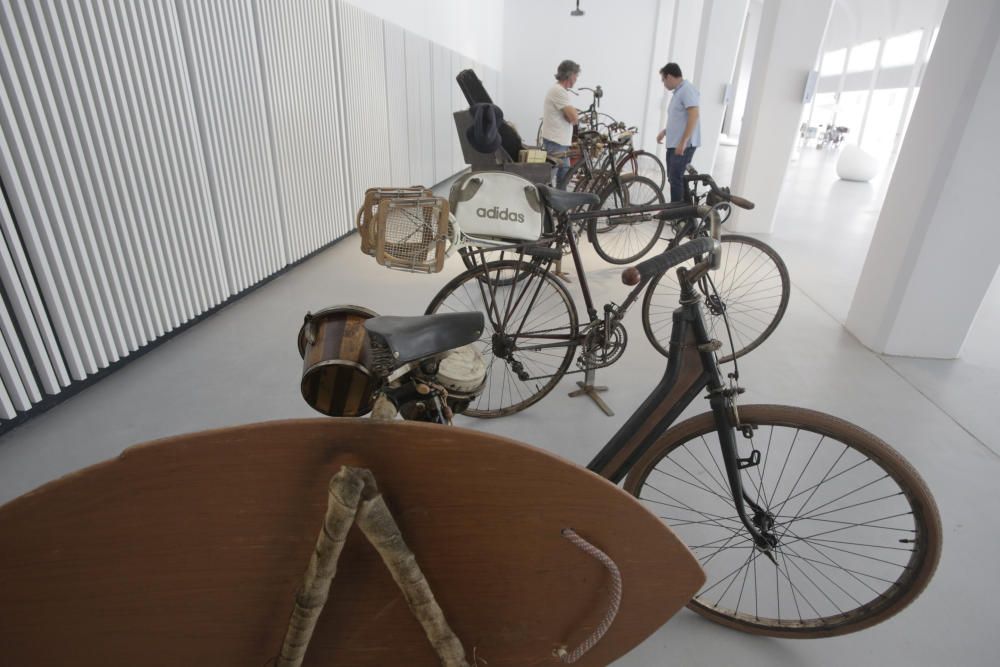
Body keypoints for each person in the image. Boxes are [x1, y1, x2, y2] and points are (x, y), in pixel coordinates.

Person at [656, 63, 700, 202]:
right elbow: (679, 119)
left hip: (683, 145)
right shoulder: (679, 92)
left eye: (663, 80)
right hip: (675, 143)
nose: (663, 83)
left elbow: (694, 115)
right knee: (674, 178)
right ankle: (683, 210)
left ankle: (678, 215)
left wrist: (683, 141)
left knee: (675, 178)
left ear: (669, 76)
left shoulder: (687, 89)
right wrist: (665, 131)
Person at [540, 60, 580, 188]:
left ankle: (560, 206)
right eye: (576, 75)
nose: (576, 79)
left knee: (564, 177)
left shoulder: (559, 91)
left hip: (559, 143)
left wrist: (570, 114)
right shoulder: (559, 91)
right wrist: (572, 114)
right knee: (550, 179)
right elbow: (573, 118)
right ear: (570, 75)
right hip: (556, 143)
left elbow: (571, 116)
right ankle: (550, 206)